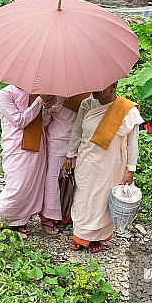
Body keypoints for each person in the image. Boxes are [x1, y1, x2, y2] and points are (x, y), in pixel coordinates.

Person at [62, 82, 143, 253]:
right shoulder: (87, 104)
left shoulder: (127, 110)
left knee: (102, 201)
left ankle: (97, 238)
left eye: (101, 88)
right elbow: (77, 131)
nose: (95, 91)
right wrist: (70, 155)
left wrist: (131, 170)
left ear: (113, 86)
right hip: (87, 161)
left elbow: (132, 144)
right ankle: (80, 235)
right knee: (83, 198)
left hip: (112, 164)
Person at [0, 87, 53, 237]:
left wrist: (47, 108)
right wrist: (40, 100)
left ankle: (17, 222)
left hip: (37, 144)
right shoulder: (5, 95)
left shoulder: (35, 93)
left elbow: (44, 123)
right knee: (17, 186)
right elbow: (20, 121)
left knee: (31, 186)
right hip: (16, 145)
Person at [40, 94, 88, 235]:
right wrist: (47, 107)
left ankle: (67, 214)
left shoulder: (87, 94)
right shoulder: (53, 93)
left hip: (78, 142)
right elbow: (44, 123)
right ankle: (48, 216)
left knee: (72, 181)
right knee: (53, 181)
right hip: (57, 141)